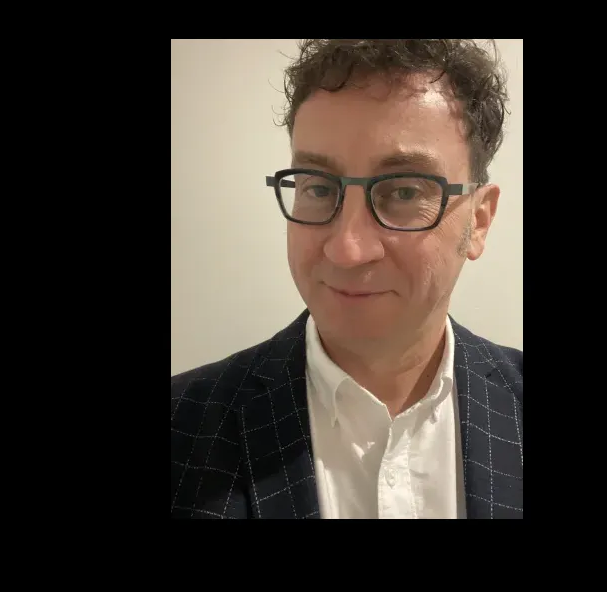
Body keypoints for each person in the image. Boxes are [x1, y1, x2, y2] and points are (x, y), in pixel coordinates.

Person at [170, 39, 523, 519]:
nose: (347, 249)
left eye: (403, 191)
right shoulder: (181, 425)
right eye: (318, 187)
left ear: (478, 221)